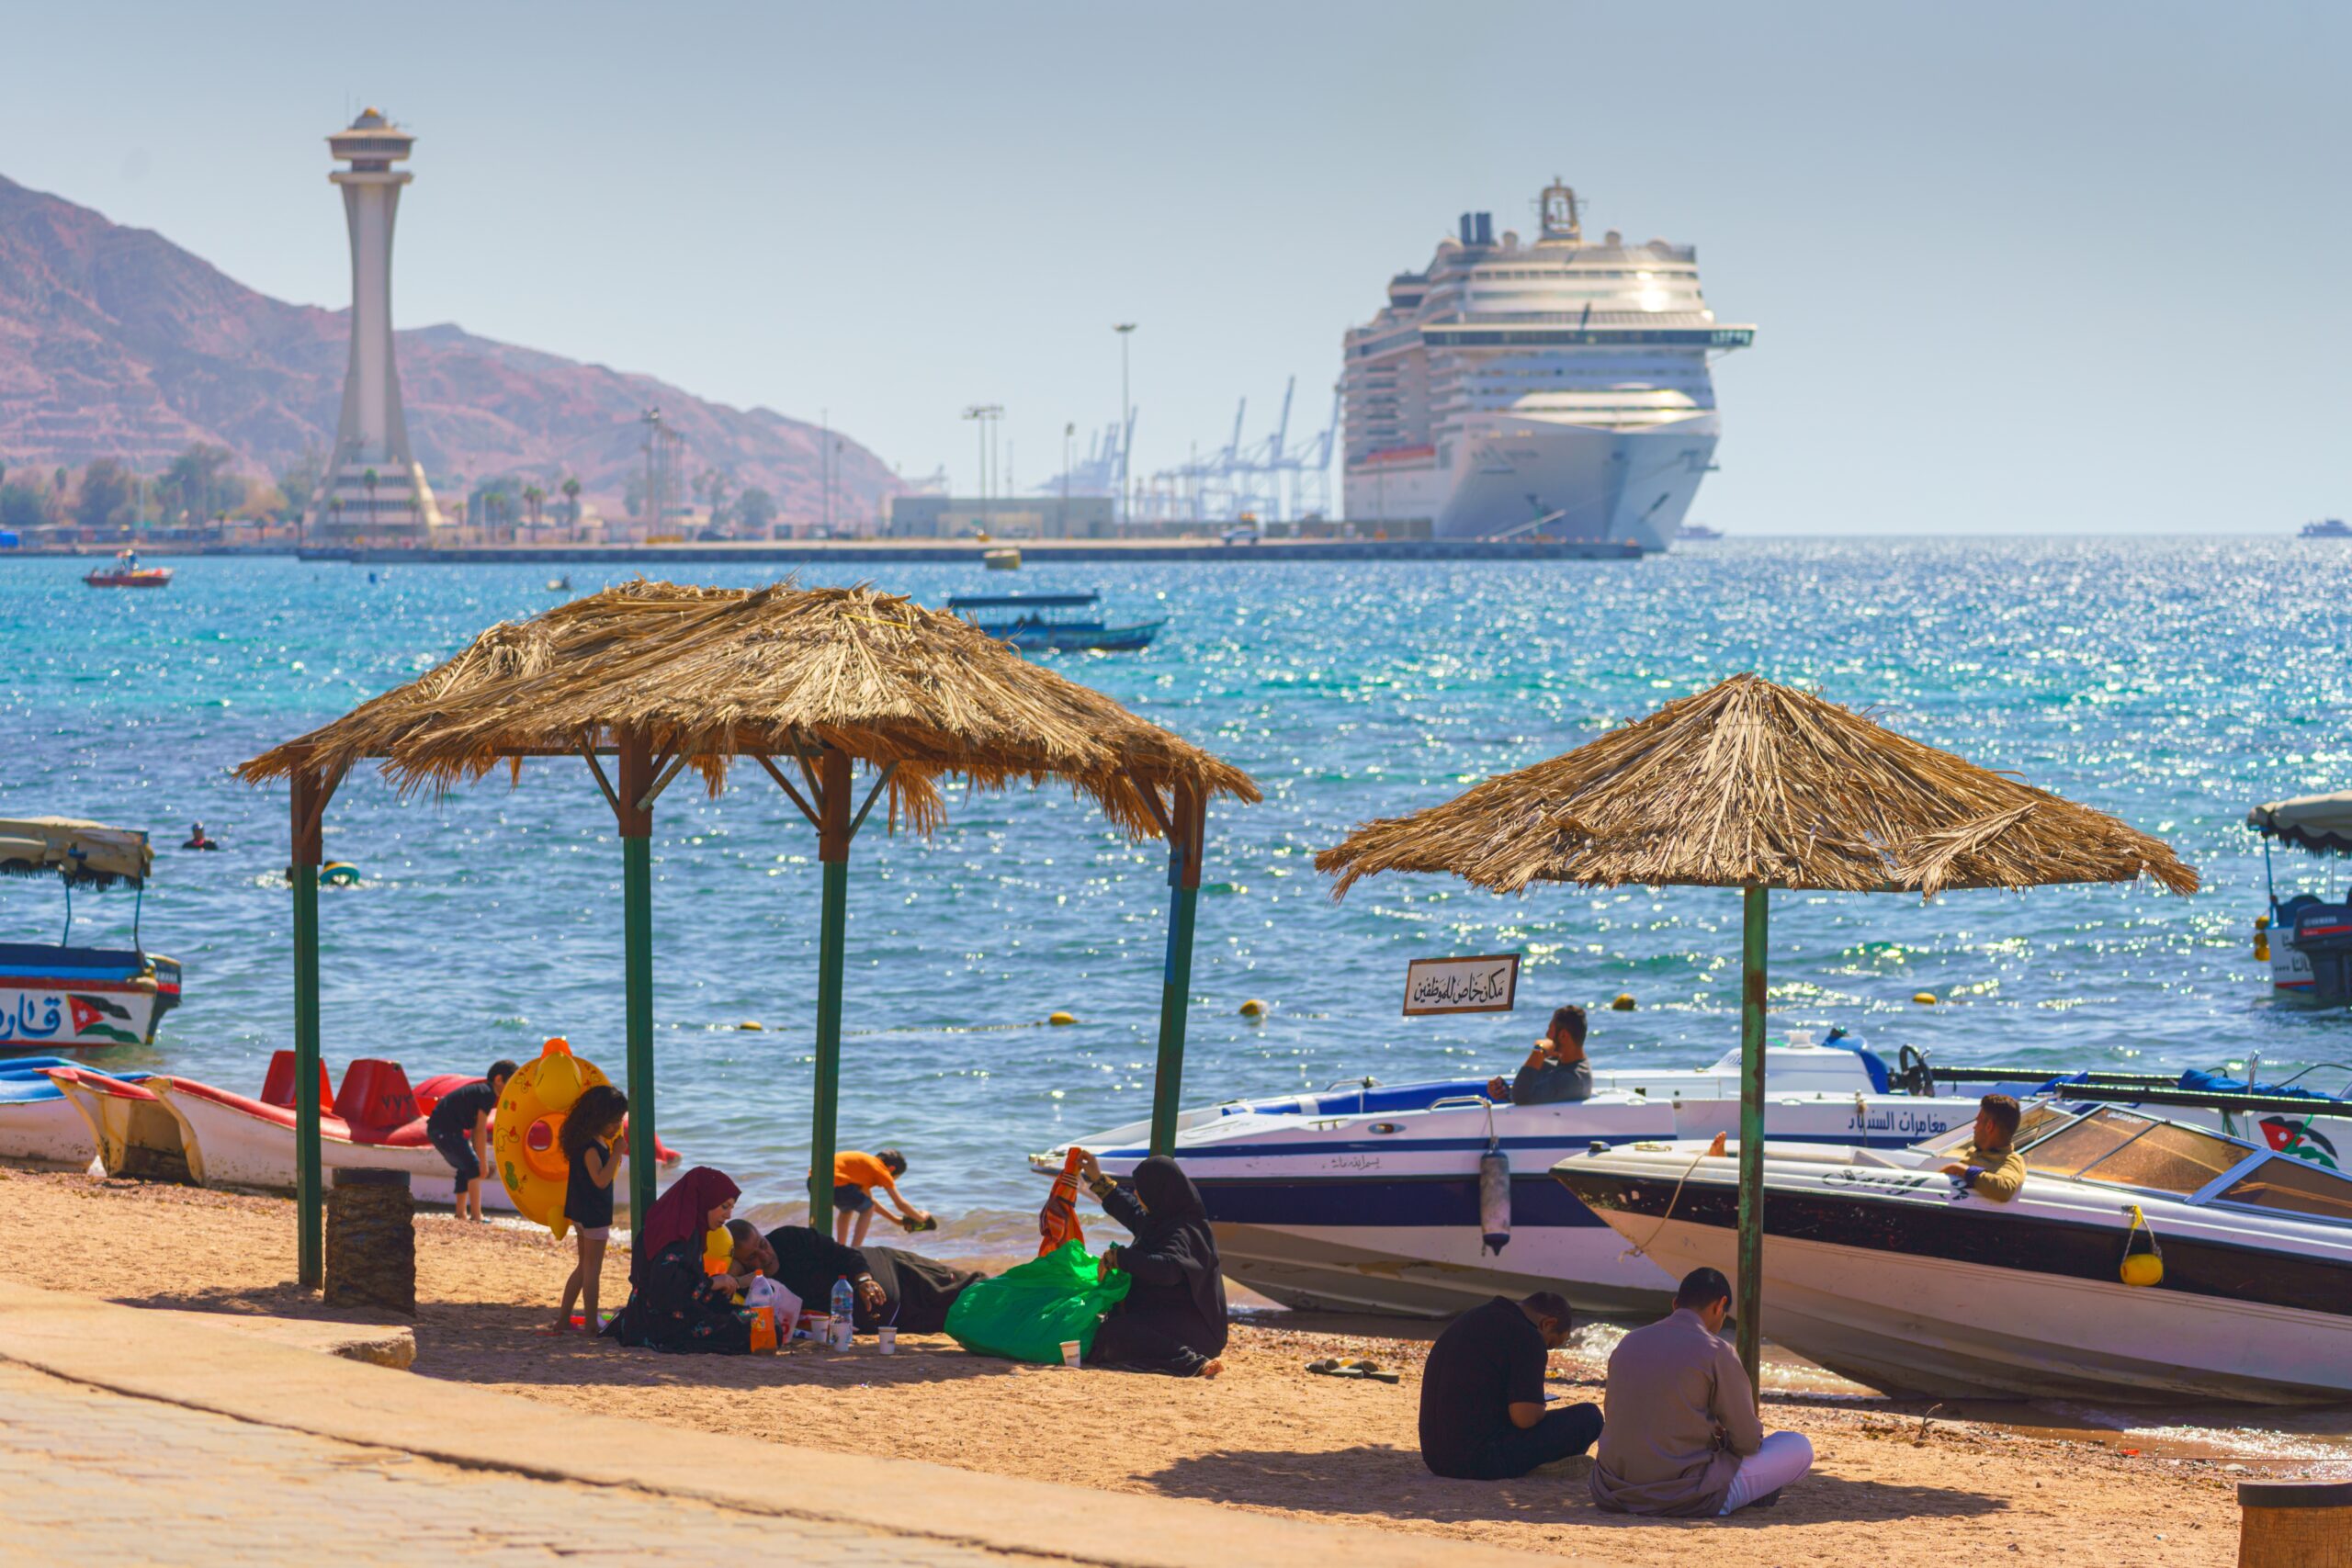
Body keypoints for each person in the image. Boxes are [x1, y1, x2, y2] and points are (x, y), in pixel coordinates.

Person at [1590, 1268, 1812, 1517]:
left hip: (1611, 1488)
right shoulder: (1717, 1350)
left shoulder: (1628, 1342)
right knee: (1799, 1446)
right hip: (1683, 1494)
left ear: (1675, 1304)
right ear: (1720, 1305)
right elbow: (1748, 1441)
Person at [1418, 1291, 1600, 1479]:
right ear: (1548, 1323)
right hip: (1478, 1460)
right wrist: (1538, 1406)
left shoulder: (1475, 1316)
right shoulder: (1528, 1337)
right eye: (1550, 1344)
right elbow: (1525, 1419)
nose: (1546, 1349)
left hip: (1436, 1458)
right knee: (1590, 1417)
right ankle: (1544, 1466)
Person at [1076, 1151, 1227, 1378]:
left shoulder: (1186, 1231)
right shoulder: (1161, 1220)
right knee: (1104, 1328)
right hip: (1168, 1318)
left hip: (1198, 1332)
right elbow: (1129, 1210)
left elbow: (1168, 1270)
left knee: (1113, 1334)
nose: (1137, 1192)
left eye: (1143, 1188)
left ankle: (1191, 1362)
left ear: (1160, 1192)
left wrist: (1120, 1258)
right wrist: (1097, 1179)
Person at [604, 1168, 757, 1353]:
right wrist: (713, 1282)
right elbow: (666, 1293)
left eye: (731, 1208)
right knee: (756, 1326)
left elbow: (678, 1281)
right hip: (663, 1325)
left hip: (642, 1317)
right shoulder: (680, 1235)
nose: (728, 1216)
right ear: (705, 1199)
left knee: (754, 1318)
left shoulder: (673, 1224)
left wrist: (716, 1284)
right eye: (724, 1207)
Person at [551, 1083, 628, 1334]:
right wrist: (617, 1153)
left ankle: (563, 1320)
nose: (617, 1126)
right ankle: (592, 1324)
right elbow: (601, 1180)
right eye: (613, 1121)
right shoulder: (592, 1148)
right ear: (598, 1117)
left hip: (581, 1213)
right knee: (592, 1269)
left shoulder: (584, 1142)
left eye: (619, 1120)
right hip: (593, 1215)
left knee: (583, 1266)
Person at [424, 1060, 516, 1221]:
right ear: (499, 1079)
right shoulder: (488, 1094)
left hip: (442, 1129)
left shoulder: (482, 1091)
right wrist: (483, 1162)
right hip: (444, 1130)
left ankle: (461, 1213)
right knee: (473, 1167)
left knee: (465, 1167)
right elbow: (480, 1130)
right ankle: (476, 1216)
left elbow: (475, 1131)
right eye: (510, 1082)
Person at [1486, 1005, 1593, 1106]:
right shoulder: (1561, 1063)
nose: (1547, 1035)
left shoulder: (1573, 1080)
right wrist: (1505, 1092)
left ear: (1563, 1035)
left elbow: (1521, 1097)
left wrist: (1539, 1049)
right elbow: (1527, 1094)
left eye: (1550, 1029)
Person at [830, 1147, 933, 1246]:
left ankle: (840, 1246)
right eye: (894, 1178)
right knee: (867, 1210)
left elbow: (870, 1200)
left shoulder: (866, 1166)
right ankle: (855, 1250)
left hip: (817, 1179)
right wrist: (922, 1218)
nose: (891, 1180)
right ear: (891, 1169)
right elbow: (900, 1204)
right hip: (836, 1182)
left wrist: (895, 1220)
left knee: (847, 1210)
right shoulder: (881, 1170)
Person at [1937, 1093, 2027, 1201]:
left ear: (1989, 1126)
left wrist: (1960, 1169)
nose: (1974, 1127)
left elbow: (2004, 1189)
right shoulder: (1974, 1151)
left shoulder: (2011, 1160)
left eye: (1978, 1121)